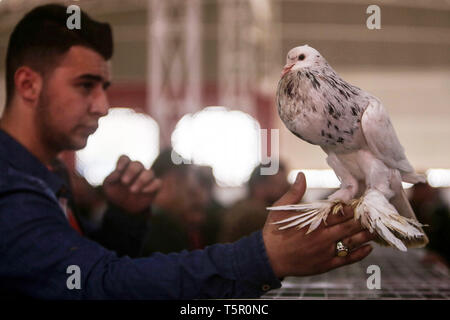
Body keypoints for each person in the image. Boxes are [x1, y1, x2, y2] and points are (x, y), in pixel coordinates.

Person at [0, 4, 374, 299]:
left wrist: (124, 218)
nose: (101, 105)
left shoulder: (47, 173)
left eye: (104, 87)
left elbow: (78, 266)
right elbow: (95, 285)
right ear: (28, 84)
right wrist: (262, 258)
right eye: (86, 85)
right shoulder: (9, 184)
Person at [220, 162, 290, 243]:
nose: (283, 190)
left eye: (283, 184)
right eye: (277, 184)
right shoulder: (254, 214)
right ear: (258, 185)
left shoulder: (241, 206)